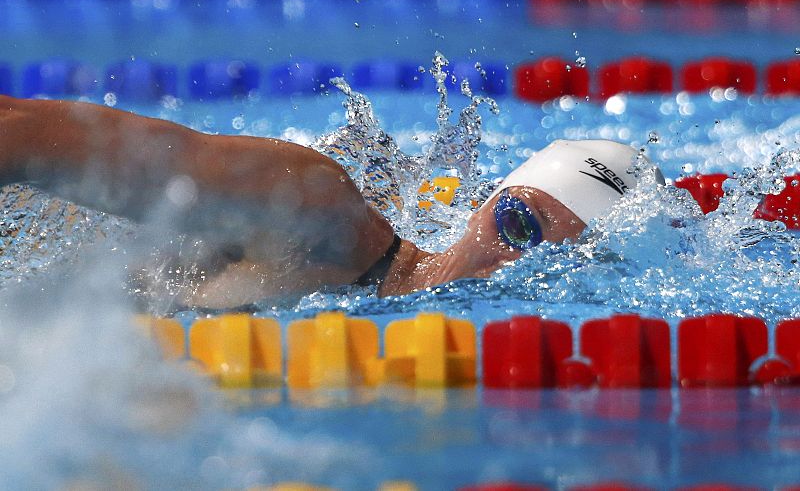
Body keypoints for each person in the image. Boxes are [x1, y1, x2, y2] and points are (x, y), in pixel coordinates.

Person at [0, 95, 662, 307]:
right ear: (487, 201)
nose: (509, 262)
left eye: (554, 259)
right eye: (519, 223)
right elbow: (29, 133)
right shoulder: (315, 207)